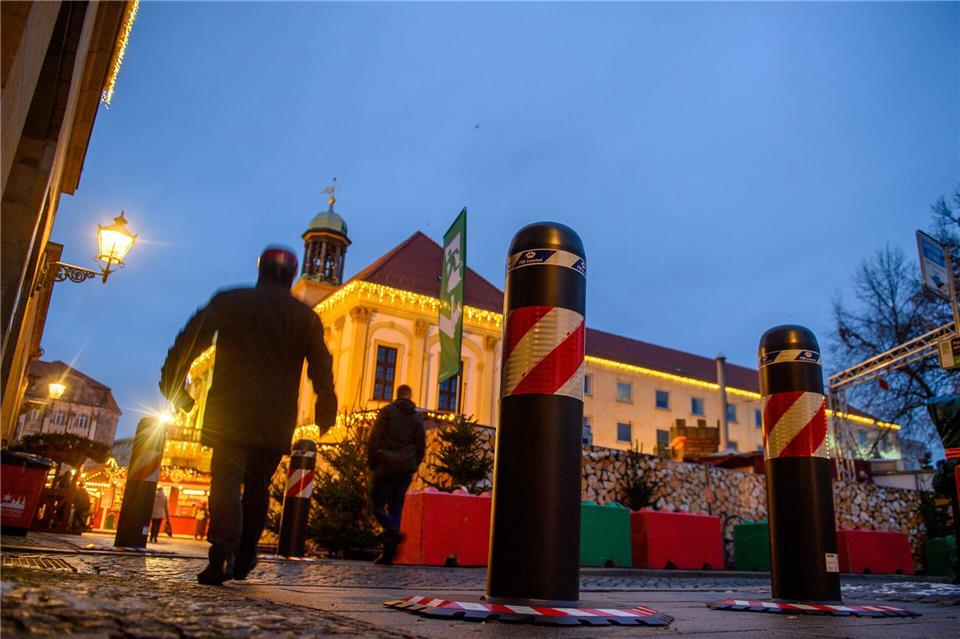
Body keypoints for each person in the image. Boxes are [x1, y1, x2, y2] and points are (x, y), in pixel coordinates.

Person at [160, 246, 337, 586]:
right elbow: (321, 367)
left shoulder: (230, 300)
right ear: (292, 277)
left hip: (229, 410)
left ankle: (220, 553)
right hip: (275, 417)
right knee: (258, 486)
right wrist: (326, 409)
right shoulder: (305, 317)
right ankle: (245, 555)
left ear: (261, 270)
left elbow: (189, 339)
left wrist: (172, 382)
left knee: (225, 480)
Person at [367, 384, 425, 565]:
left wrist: (372, 461)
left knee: (376, 505)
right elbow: (421, 445)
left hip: (385, 466)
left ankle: (391, 531)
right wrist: (414, 463)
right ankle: (389, 554)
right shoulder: (416, 418)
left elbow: (374, 437)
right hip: (406, 468)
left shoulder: (386, 412)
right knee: (396, 507)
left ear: (397, 395)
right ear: (410, 396)